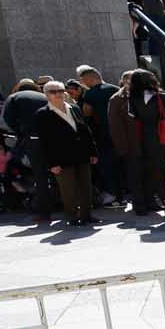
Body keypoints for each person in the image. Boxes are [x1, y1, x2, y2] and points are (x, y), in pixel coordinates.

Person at [36, 80, 98, 227]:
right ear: (46, 95)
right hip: (61, 158)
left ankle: (86, 215)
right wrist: (52, 163)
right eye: (53, 91)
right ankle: (72, 216)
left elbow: (85, 132)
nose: (58, 94)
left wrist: (92, 152)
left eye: (60, 91)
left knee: (86, 186)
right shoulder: (43, 114)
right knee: (68, 189)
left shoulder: (75, 108)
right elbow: (45, 141)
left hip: (82, 154)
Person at [109, 69, 165, 216]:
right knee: (135, 176)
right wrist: (122, 148)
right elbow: (115, 126)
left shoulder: (142, 97)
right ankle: (139, 205)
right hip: (131, 144)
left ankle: (151, 201)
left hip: (147, 143)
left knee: (150, 173)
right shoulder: (117, 99)